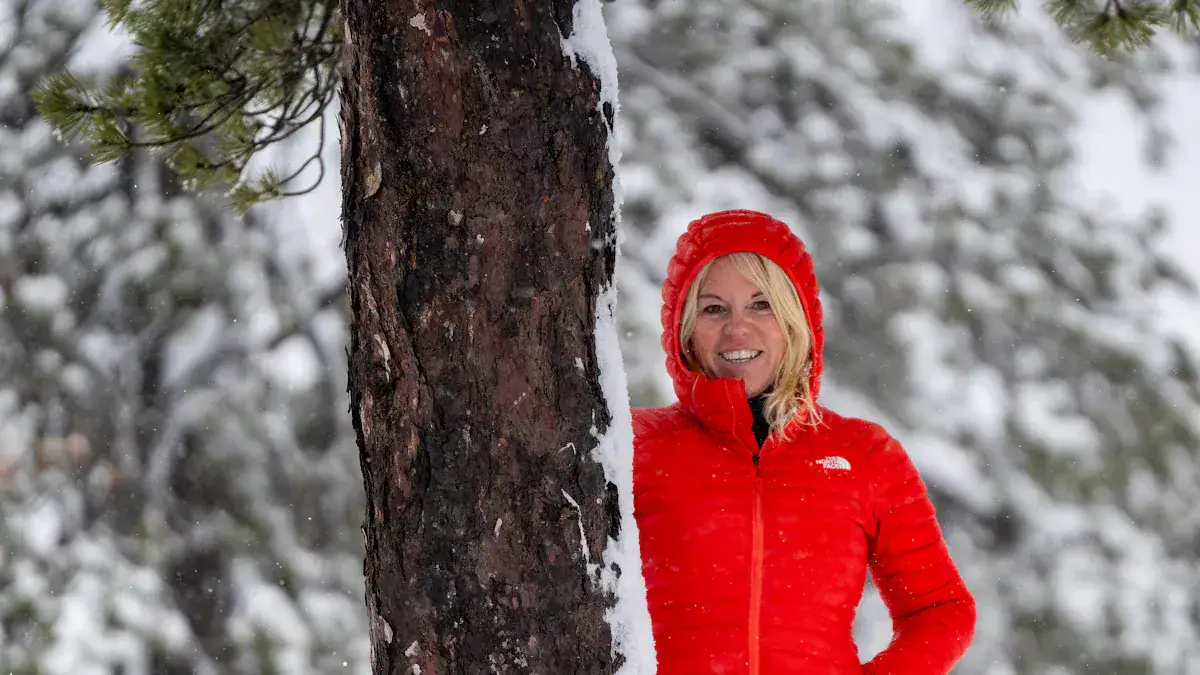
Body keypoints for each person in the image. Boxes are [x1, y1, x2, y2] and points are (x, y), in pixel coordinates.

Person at [632, 209, 976, 674]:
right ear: (684, 329)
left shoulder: (864, 455)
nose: (738, 328)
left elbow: (941, 610)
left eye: (761, 304)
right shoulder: (636, 445)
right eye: (714, 308)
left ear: (796, 319)